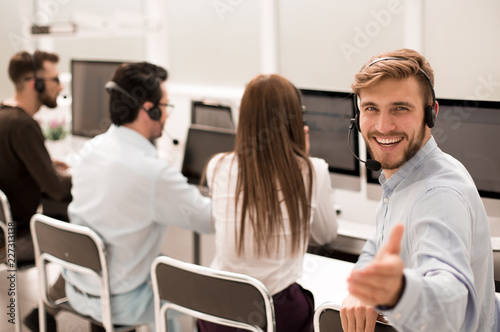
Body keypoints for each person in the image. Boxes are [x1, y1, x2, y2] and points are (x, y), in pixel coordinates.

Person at [340, 48, 499, 331]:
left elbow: (449, 300)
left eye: (400, 108)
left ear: (431, 113)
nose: (383, 126)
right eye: (371, 108)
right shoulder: (400, 181)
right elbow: (376, 247)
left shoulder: (438, 194)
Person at [62, 61, 212, 330]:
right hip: (119, 302)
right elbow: (207, 221)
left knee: (158, 261)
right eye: (165, 107)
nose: (166, 115)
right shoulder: (153, 174)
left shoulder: (90, 151)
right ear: (149, 110)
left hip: (77, 288)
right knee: (182, 287)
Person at [198, 74, 338, 332]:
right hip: (275, 314)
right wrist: (303, 159)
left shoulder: (217, 165)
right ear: (296, 120)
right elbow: (326, 235)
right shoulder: (313, 170)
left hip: (216, 312)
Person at [0, 50, 71, 332]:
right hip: (16, 241)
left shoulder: (5, 116)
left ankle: (48, 310)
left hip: (3, 232)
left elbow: (11, 164)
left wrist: (45, 162)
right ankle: (50, 310)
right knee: (92, 236)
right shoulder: (24, 126)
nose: (60, 86)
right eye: (54, 79)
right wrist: (86, 175)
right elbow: (55, 189)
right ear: (35, 84)